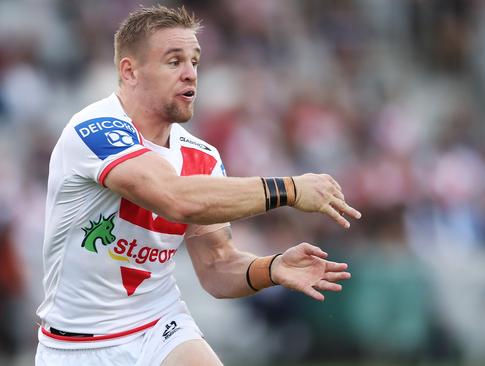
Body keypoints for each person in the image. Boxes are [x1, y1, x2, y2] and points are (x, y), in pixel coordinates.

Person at [34, 5, 361, 366]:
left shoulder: (202, 156)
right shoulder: (93, 129)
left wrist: (271, 268)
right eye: (174, 62)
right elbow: (174, 198)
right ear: (130, 71)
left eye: (195, 62)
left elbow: (218, 268)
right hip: (76, 345)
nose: (190, 74)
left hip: (159, 326)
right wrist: (290, 189)